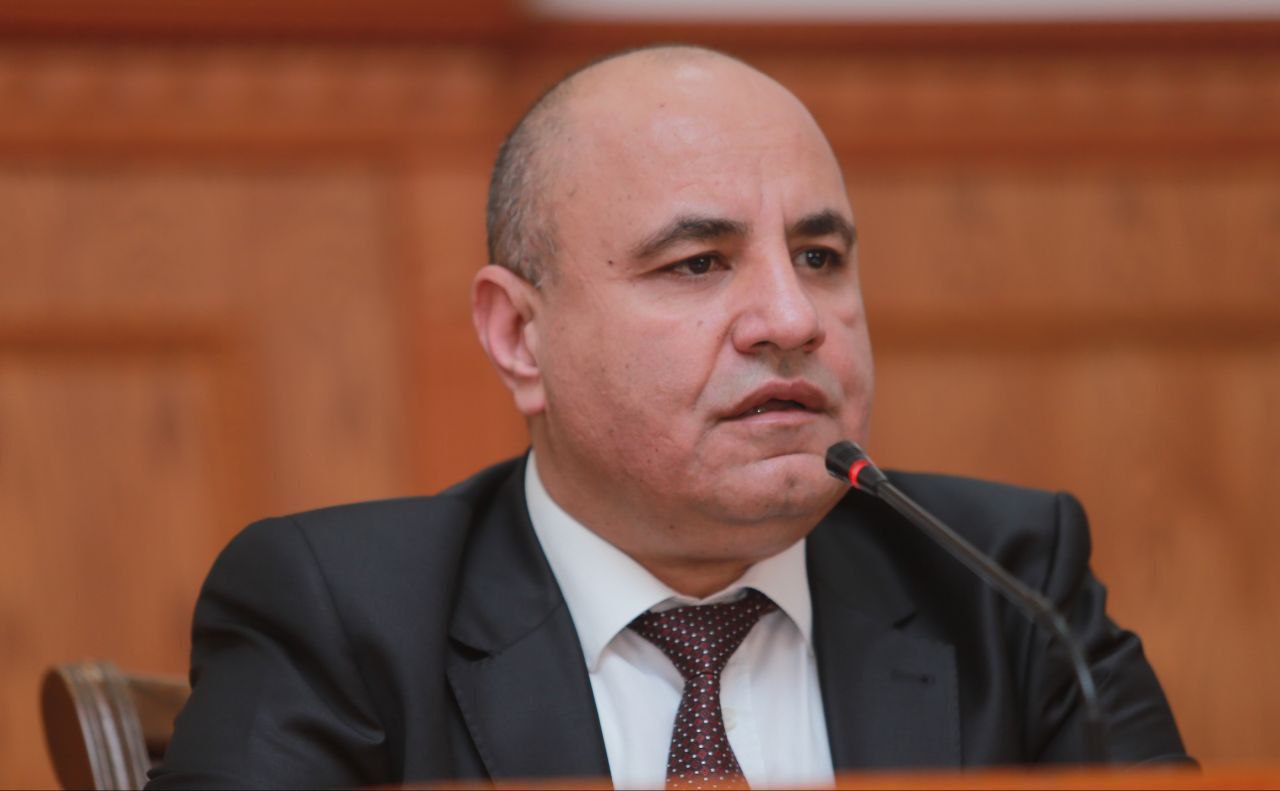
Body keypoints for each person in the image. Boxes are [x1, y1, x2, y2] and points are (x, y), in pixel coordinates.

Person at [148, 45, 1190, 789]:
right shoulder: (345, 617)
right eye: (697, 263)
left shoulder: (1008, 586)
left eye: (819, 256)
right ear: (519, 336)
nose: (792, 318)